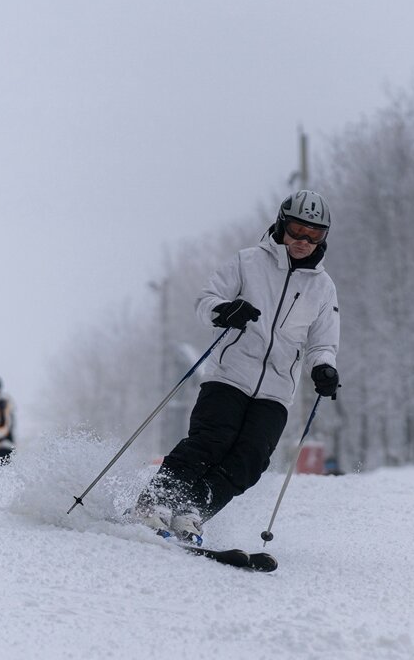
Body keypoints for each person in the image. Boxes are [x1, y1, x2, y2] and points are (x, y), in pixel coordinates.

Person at [133, 190, 341, 544]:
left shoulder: (323, 288)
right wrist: (225, 311)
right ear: (281, 224)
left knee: (251, 459)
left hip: (277, 389)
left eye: (314, 235)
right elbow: (206, 301)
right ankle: (154, 502)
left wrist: (323, 368)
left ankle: (192, 510)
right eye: (296, 230)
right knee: (212, 441)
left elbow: (323, 343)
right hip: (229, 374)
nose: (303, 241)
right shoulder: (247, 262)